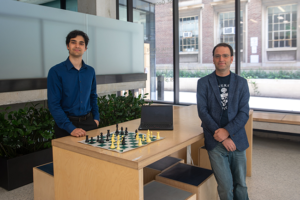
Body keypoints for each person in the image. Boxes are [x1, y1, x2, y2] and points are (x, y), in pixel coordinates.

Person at [196, 43, 250, 200]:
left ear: (231, 59)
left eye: (225, 55)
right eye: (218, 56)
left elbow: (243, 113)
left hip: (237, 140)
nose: (221, 59)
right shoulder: (203, 83)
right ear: (213, 59)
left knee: (241, 184)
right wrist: (221, 136)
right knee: (226, 187)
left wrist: (227, 133)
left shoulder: (241, 83)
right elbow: (203, 112)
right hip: (215, 142)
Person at [47, 30, 100, 138]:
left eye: (81, 43)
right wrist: (71, 128)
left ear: (85, 48)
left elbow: (93, 96)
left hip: (89, 123)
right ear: (67, 46)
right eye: (73, 42)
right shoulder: (56, 71)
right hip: (65, 126)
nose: (77, 46)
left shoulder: (90, 71)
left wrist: (96, 119)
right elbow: (53, 104)